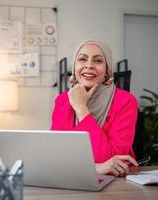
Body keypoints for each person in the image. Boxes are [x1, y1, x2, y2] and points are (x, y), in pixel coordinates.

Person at [51, 40, 138, 177]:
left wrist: (81, 108)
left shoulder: (126, 101)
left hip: (115, 185)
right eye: (82, 59)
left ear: (107, 70)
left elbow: (113, 163)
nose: (89, 65)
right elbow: (56, 157)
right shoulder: (62, 100)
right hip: (70, 180)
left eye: (97, 61)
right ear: (74, 67)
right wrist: (96, 168)